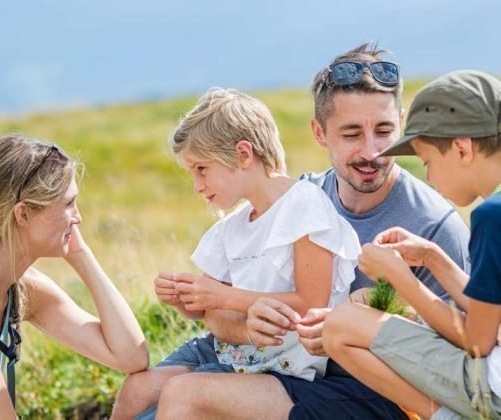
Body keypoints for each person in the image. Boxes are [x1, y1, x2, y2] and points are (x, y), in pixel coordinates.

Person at [149, 44, 471, 419]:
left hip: (371, 394)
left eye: (384, 131)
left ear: (401, 122)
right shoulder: (299, 197)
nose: (371, 151)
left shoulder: (434, 226)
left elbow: (460, 359)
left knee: (187, 397)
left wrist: (373, 318)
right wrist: (246, 323)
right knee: (144, 397)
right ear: (319, 132)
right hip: (280, 369)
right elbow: (224, 310)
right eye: (351, 134)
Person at [111, 87, 362, 419]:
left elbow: (311, 305)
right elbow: (213, 316)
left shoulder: (303, 204)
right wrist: (189, 301)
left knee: (179, 393)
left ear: (244, 154)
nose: (197, 186)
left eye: (202, 169)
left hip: (282, 369)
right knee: (136, 390)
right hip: (233, 351)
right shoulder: (231, 227)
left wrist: (222, 297)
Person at [321, 70, 501, 419]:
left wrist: (402, 279)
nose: (430, 179)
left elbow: (480, 340)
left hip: (492, 390)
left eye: (428, 162)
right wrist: (431, 257)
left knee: (341, 325)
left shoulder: (492, 216)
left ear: (462, 148)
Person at [0, 134, 149, 419]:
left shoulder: (20, 288)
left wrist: (80, 254)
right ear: (23, 215)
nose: (78, 217)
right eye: (68, 204)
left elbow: (131, 356)